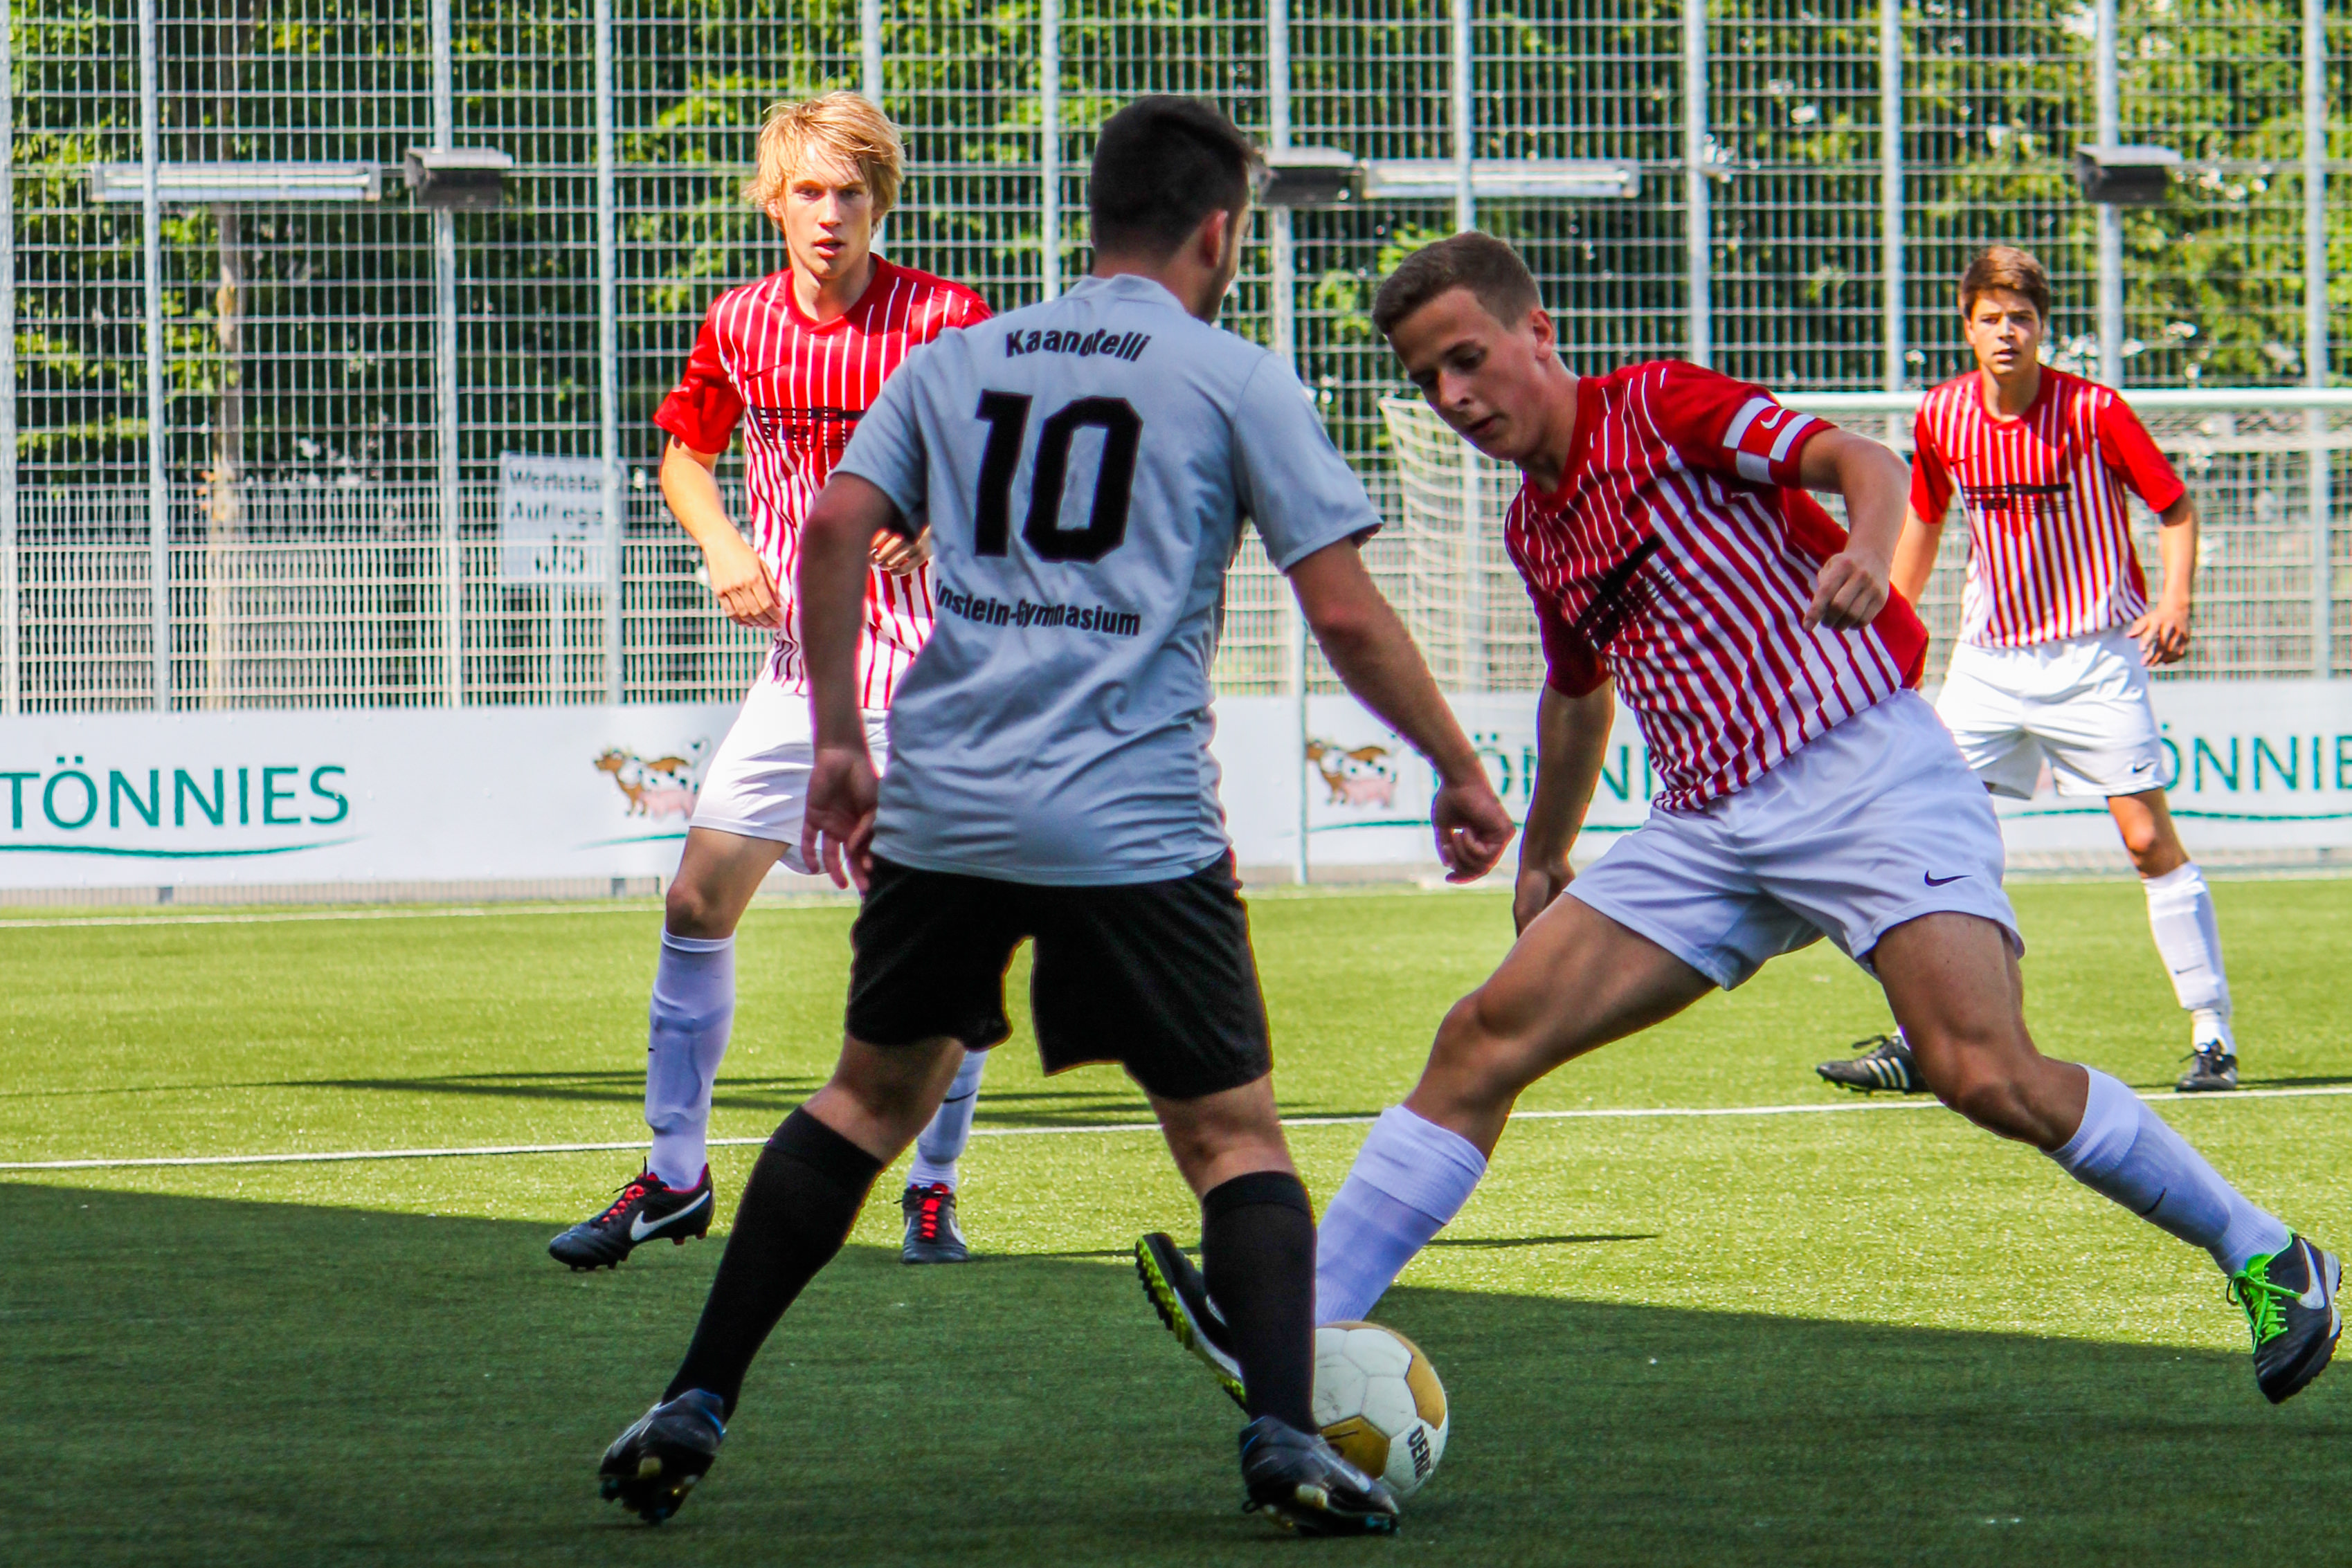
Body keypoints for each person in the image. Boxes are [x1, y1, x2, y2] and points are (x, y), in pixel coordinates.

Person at [1137, 233, 2338, 1416]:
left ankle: (2268, 1254)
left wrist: (1864, 550)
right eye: (1425, 378)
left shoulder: (1658, 406)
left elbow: (1860, 459)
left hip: (1865, 776)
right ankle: (1289, 1331)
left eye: (1465, 358)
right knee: (1478, 1039)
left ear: (1535, 333)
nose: (1451, 396)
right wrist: (1546, 852)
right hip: (1705, 830)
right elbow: (1577, 692)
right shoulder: (1534, 528)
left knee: (1984, 1072)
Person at [592, 98, 1516, 1532]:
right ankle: (1284, 1434)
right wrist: (1455, 764)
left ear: (1097, 219)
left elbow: (827, 528)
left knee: (862, 1102)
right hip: (1129, 818)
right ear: (1219, 232)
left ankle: (694, 1396)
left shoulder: (959, 357)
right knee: (1232, 1138)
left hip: (950, 803)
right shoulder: (1231, 375)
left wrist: (838, 737)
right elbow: (1340, 610)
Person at [548, 92, 997, 1273]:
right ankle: (675, 1178)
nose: (829, 213)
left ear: (878, 202)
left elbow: (1007, 455)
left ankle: (934, 1187)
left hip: (930, 674)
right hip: (799, 673)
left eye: (851, 192)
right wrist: (721, 544)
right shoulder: (740, 321)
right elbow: (684, 458)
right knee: (695, 904)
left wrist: (939, 508)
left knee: (937, 945)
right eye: (808, 191)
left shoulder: (944, 317)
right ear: (773, 201)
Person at [1817, 244, 2239, 1098]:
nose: (2005, 332)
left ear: (2041, 326)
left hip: (2093, 653)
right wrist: (1888, 629)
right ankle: (1919, 1038)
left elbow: (2173, 507)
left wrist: (2174, 601)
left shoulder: (2093, 409)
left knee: (2145, 840)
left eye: (2020, 317)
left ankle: (2211, 1035)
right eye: (1989, 319)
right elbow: (1923, 521)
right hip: (1988, 661)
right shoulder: (1941, 415)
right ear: (1966, 327)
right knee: (1928, 836)